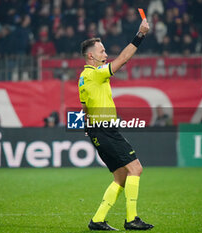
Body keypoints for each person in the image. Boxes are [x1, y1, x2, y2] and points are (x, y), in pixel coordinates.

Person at [78, 18, 154, 231]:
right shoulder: (95, 74)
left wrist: (87, 126)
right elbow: (122, 60)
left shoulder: (83, 78)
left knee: (121, 176)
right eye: (102, 52)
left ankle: (97, 220)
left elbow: (85, 106)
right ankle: (132, 219)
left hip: (97, 129)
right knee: (136, 168)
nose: (105, 55)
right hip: (105, 129)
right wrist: (140, 35)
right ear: (91, 56)